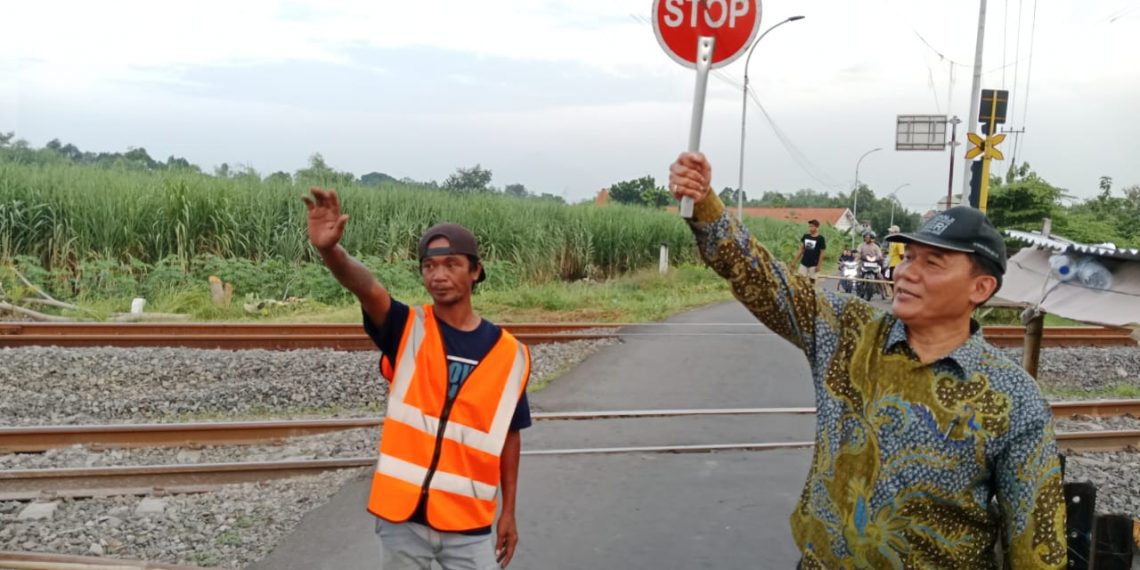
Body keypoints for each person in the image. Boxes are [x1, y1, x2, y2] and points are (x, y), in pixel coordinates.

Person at [667, 152, 1066, 569]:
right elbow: (766, 281)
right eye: (908, 258)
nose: (907, 273)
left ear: (980, 288)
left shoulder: (1013, 397)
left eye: (933, 263)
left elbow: (1038, 546)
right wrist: (706, 205)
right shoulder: (849, 331)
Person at [304, 187, 530, 570]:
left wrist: (509, 511)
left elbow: (509, 434)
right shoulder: (407, 329)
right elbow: (366, 287)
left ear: (475, 271)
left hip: (469, 523)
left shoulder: (510, 354)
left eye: (451, 264)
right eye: (429, 266)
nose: (438, 275)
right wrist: (330, 252)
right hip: (402, 521)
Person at [857, 231, 889, 299]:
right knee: (858, 272)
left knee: (880, 277)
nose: (867, 238)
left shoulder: (876, 247)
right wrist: (857, 258)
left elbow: (879, 254)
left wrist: (880, 257)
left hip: (874, 263)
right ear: (864, 238)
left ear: (872, 238)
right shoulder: (861, 245)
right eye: (866, 237)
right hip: (863, 262)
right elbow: (858, 253)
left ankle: (884, 293)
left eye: (869, 237)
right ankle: (859, 287)